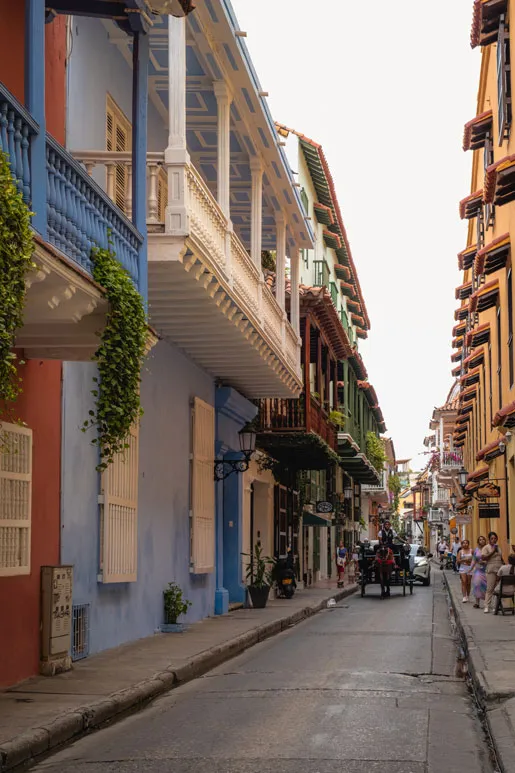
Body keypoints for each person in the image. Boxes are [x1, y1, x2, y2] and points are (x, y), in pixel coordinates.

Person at [482, 531, 504, 613]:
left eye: (495, 538)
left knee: (497, 589)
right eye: (492, 538)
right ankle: (486, 606)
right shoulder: (486, 547)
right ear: (489, 540)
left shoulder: (498, 547)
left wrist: (504, 565)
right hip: (491, 569)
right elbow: (484, 558)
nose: (494, 540)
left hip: (499, 568)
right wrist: (493, 551)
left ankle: (496, 606)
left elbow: (501, 557)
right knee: (490, 588)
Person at [470, 536, 487, 609]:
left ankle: (486, 603)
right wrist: (470, 568)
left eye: (483, 539)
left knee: (485, 586)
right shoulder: (476, 550)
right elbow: (474, 559)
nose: (482, 541)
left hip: (486, 570)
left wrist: (484, 562)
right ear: (478, 541)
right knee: (477, 585)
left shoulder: (487, 549)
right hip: (478, 570)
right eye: (480, 539)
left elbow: (490, 559)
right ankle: (477, 603)